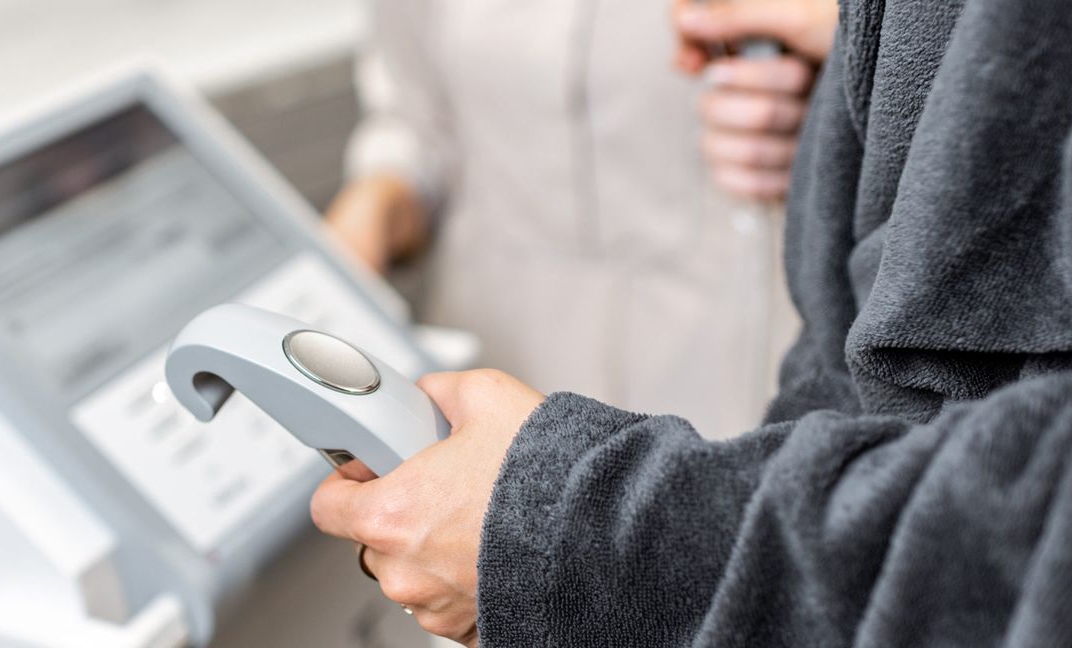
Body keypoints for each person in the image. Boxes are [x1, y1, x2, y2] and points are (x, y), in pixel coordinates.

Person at [311, 0, 1072, 646]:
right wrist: (365, 216)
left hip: (715, 410)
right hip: (482, 393)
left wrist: (838, 105)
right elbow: (412, 125)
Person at [325, 0, 830, 437]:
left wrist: (835, 114)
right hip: (492, 362)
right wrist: (376, 204)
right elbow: (416, 125)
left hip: (721, 369)